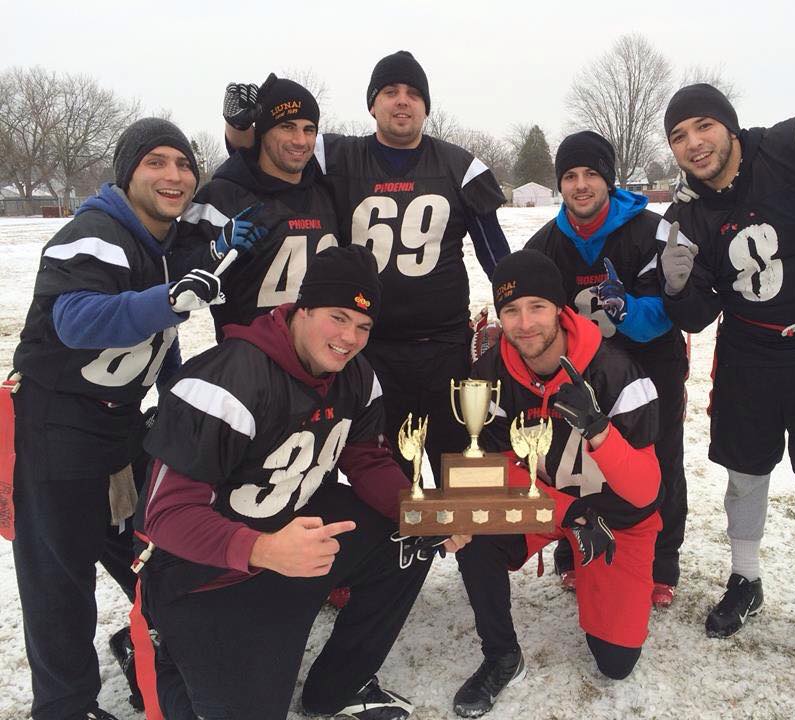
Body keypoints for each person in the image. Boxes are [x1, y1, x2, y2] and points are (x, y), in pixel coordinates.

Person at [135, 245, 468, 720]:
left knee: (411, 536)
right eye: (338, 317)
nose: (350, 337)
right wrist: (263, 549)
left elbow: (366, 460)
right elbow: (166, 516)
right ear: (303, 308)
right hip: (204, 569)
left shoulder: (356, 375)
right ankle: (159, 653)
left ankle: (339, 686)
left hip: (291, 528)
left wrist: (422, 512)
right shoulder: (227, 381)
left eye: (363, 326)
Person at [10, 118, 223, 720]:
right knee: (59, 578)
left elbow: (157, 340)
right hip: (58, 424)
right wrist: (167, 301)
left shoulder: (164, 244)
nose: (174, 175)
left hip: (121, 424)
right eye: (156, 162)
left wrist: (178, 397)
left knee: (152, 551)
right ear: (127, 173)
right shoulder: (97, 232)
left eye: (184, 164)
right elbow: (76, 320)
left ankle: (147, 642)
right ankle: (62, 707)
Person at [224, 51, 511, 479]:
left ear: (426, 107)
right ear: (372, 104)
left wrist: (520, 307)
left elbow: (496, 255)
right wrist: (239, 124)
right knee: (387, 476)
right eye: (390, 91)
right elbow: (263, 154)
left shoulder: (458, 166)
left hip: (446, 347)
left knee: (461, 472)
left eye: (413, 93)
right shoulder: (337, 156)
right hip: (368, 348)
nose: (402, 100)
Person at [660, 84, 795, 665]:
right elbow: (697, 315)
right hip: (749, 350)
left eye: (703, 126)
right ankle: (746, 579)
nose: (694, 144)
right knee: (744, 472)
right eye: (679, 136)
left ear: (730, 126)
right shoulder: (684, 213)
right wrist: (677, 286)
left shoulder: (789, 145)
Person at [453, 250, 662, 718]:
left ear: (560, 309)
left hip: (615, 518)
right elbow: (488, 469)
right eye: (510, 310)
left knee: (615, 662)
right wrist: (568, 512)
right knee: (472, 516)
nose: (524, 323)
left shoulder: (616, 372)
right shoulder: (490, 374)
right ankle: (501, 655)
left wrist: (599, 431)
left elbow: (645, 491)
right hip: (551, 505)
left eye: (537, 307)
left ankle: (594, 576)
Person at [524, 130, 687, 607]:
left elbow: (668, 312)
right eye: (570, 176)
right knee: (574, 462)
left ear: (609, 179)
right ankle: (574, 551)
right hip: (579, 374)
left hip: (650, 367)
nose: (580, 185)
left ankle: (661, 562)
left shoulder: (650, 230)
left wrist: (627, 310)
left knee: (659, 462)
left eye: (591, 174)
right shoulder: (545, 243)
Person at [175, 74, 334, 340]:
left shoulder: (326, 191)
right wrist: (214, 252)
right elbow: (175, 274)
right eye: (287, 127)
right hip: (248, 355)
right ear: (262, 132)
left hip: (319, 353)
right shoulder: (222, 196)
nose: (300, 140)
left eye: (309, 130)